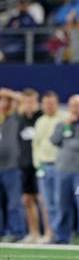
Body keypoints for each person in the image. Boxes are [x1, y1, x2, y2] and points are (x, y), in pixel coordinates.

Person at [50, 94, 79, 244]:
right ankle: (62, 237)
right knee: (62, 207)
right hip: (62, 170)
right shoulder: (62, 124)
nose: (74, 109)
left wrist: (67, 141)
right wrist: (65, 126)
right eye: (72, 105)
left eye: (78, 105)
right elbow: (54, 140)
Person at [32, 92, 65, 243]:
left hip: (59, 166)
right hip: (44, 166)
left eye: (51, 103)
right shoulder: (39, 121)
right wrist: (37, 164)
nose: (49, 106)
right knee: (47, 203)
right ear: (42, 105)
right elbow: (36, 145)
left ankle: (61, 234)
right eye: (46, 103)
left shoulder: (64, 119)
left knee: (60, 202)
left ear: (57, 104)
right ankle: (51, 233)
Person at [17, 89, 43, 243]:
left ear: (36, 102)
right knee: (27, 200)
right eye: (25, 102)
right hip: (24, 165)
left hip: (38, 165)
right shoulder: (21, 119)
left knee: (42, 200)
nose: (28, 105)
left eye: (31, 101)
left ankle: (47, 233)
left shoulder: (41, 118)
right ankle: (33, 233)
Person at [0, 88, 25, 242]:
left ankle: (17, 232)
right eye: (1, 100)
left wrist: (6, 93)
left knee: (14, 203)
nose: (4, 103)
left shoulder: (15, 116)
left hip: (12, 167)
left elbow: (22, 99)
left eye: (7, 101)